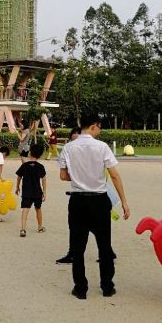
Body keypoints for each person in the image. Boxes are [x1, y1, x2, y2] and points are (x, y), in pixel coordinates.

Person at [58, 114, 130, 299]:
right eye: (99, 127)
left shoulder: (68, 147)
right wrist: (124, 201)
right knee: (104, 245)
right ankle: (107, 286)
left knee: (78, 247)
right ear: (94, 126)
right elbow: (114, 175)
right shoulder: (102, 147)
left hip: (77, 200)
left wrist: (79, 176)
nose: (99, 131)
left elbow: (63, 176)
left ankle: (80, 288)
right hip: (99, 199)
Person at [56, 128, 81, 264]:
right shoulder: (97, 148)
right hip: (96, 194)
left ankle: (73, 254)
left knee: (77, 226)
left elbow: (63, 175)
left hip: (80, 195)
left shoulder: (67, 150)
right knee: (96, 227)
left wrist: (77, 177)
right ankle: (107, 253)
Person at [16, 141, 47, 237]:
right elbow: (44, 179)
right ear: (40, 155)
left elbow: (19, 177)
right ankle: (40, 227)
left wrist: (17, 187)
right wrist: (44, 192)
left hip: (26, 192)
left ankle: (23, 229)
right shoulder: (40, 167)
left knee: (25, 209)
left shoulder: (24, 165)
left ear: (30, 153)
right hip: (37, 191)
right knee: (38, 209)